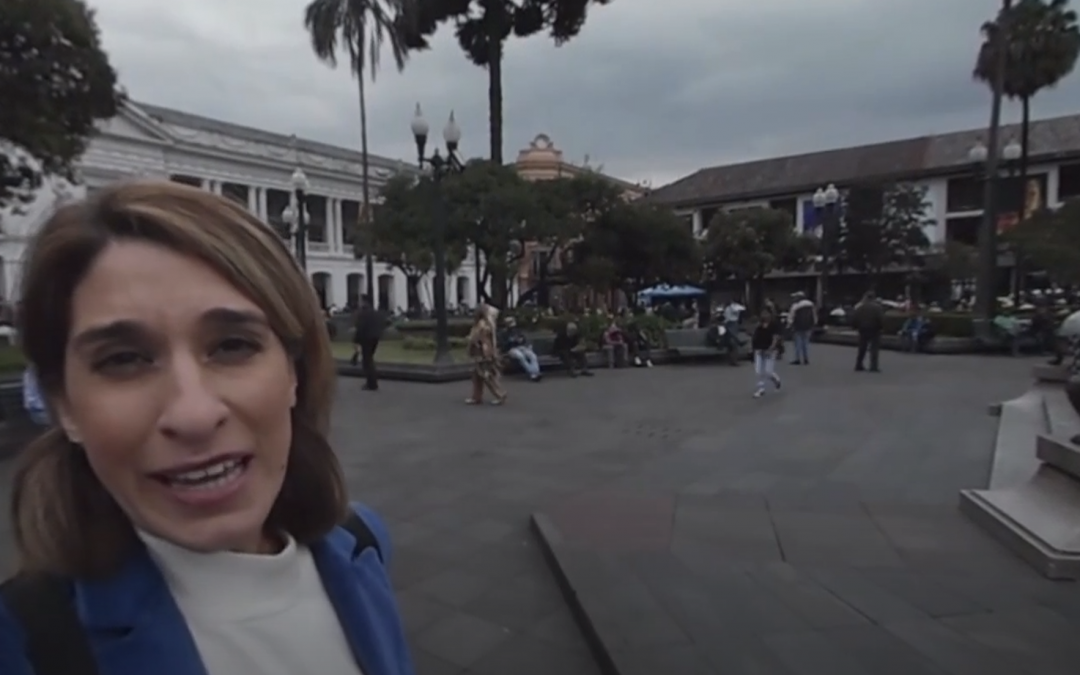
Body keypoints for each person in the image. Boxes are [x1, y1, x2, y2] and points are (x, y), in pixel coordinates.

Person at [0, 182, 414, 675]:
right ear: (63, 403)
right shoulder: (26, 642)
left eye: (233, 346)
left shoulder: (363, 543)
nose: (193, 414)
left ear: (294, 373)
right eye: (124, 359)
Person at [466, 304, 507, 405]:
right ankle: (476, 397)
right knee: (477, 375)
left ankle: (500, 394)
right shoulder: (489, 324)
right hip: (487, 351)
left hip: (481, 352)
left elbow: (474, 338)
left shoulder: (481, 324)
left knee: (486, 375)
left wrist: (470, 342)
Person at [350, 294, 383, 391]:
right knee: (369, 359)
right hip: (374, 338)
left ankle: (371, 383)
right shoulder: (374, 312)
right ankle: (372, 382)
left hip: (366, 338)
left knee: (367, 361)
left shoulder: (362, 313)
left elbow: (360, 328)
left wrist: (356, 341)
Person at [751, 307, 783, 398]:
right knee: (758, 371)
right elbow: (755, 337)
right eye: (762, 313)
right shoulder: (759, 325)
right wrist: (754, 348)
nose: (764, 315)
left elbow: (775, 338)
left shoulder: (774, 325)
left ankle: (776, 380)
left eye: (766, 313)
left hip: (770, 350)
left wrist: (771, 348)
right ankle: (761, 389)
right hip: (759, 349)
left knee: (768, 371)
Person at [499, 316, 541, 381]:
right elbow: (503, 345)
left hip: (521, 347)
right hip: (511, 349)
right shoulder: (503, 333)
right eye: (510, 323)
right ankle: (534, 373)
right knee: (520, 356)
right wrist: (511, 341)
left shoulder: (517, 331)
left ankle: (535, 374)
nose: (512, 325)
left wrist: (521, 340)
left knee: (533, 356)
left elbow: (524, 339)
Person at [850, 291, 884, 372]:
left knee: (862, 348)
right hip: (874, 329)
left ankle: (858, 364)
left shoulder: (860, 307)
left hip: (862, 329)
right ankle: (873, 366)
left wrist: (855, 327)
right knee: (874, 349)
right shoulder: (877, 308)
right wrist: (881, 327)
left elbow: (855, 318)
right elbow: (880, 319)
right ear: (873, 298)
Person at [787, 291, 816, 365]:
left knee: (797, 343)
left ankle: (797, 359)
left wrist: (789, 325)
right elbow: (814, 316)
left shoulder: (795, 305)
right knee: (806, 343)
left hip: (798, 327)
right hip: (808, 327)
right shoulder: (811, 304)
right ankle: (806, 358)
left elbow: (791, 316)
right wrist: (813, 324)